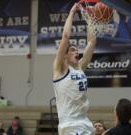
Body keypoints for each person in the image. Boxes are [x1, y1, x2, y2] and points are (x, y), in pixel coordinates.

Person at [52, 3, 97, 135]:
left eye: (77, 50)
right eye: (72, 50)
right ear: (65, 55)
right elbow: (65, 37)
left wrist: (89, 18)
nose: (76, 51)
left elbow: (92, 42)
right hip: (69, 123)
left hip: (84, 121)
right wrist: (71, 13)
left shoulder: (80, 66)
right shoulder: (59, 68)